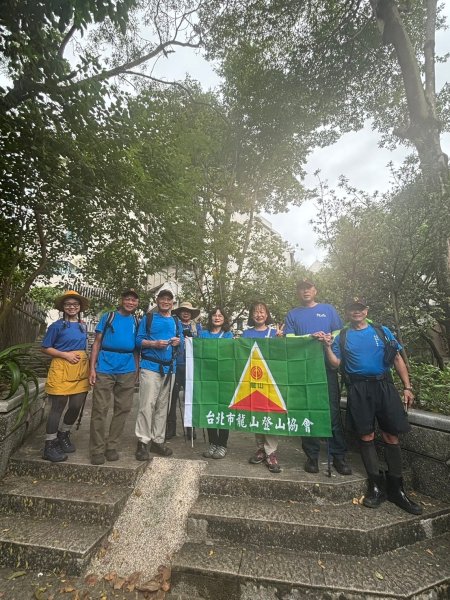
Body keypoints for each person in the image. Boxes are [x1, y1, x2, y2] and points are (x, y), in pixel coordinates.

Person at [320, 297, 422, 514]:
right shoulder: (343, 335)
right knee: (365, 436)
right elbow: (335, 363)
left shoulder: (381, 331)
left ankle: (397, 488)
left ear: (366, 311)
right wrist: (328, 347)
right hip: (358, 389)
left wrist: (407, 386)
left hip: (384, 386)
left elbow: (396, 359)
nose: (356, 312)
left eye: (360, 309)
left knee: (391, 435)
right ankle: (375, 486)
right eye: (352, 309)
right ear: (347, 313)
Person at [284, 279, 352, 475]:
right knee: (308, 412)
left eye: (309, 288)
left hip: (328, 369)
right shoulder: (293, 314)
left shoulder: (328, 310)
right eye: (302, 288)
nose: (305, 291)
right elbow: (288, 339)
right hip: (304, 371)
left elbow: (339, 333)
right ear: (298, 292)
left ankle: (338, 456)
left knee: (332, 413)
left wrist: (329, 339)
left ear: (315, 290)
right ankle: (311, 456)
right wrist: (309, 337)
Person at [88, 289, 140, 465]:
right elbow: (96, 343)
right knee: (100, 408)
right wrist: (92, 368)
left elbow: (136, 348)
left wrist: (137, 370)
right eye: (127, 299)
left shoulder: (136, 320)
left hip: (127, 368)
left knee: (123, 408)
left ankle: (112, 446)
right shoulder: (108, 317)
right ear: (121, 300)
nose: (130, 303)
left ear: (137, 304)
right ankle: (96, 449)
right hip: (105, 365)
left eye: (134, 300)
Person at [41, 290, 90, 462]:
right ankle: (50, 444)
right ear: (63, 307)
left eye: (75, 304)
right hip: (62, 366)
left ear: (80, 307)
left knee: (76, 405)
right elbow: (45, 347)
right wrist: (65, 355)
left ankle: (63, 433)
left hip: (80, 369)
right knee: (58, 406)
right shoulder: (56, 326)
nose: (72, 307)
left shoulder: (83, 325)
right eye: (68, 304)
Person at [134, 288, 183, 460]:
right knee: (147, 404)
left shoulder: (176, 322)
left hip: (170, 368)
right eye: (163, 299)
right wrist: (154, 344)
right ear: (157, 300)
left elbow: (182, 344)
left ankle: (157, 440)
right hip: (150, 367)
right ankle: (142, 441)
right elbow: (138, 341)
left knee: (163, 406)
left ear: (172, 302)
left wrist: (178, 342)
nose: (166, 302)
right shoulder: (148, 318)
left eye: (169, 300)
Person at [244, 301, 284, 473]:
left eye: (262, 312)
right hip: (253, 379)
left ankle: (271, 452)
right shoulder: (247, 333)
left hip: (271, 379)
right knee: (257, 414)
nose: (259, 314)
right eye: (256, 311)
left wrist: (281, 340)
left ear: (267, 315)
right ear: (252, 315)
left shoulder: (275, 332)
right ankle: (260, 448)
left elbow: (282, 355)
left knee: (271, 414)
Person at [201, 307, 233, 459]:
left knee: (223, 411)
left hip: (224, 378)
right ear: (210, 318)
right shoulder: (203, 334)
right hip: (207, 377)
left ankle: (222, 445)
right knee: (210, 410)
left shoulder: (228, 335)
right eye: (214, 315)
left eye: (220, 315)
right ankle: (212, 442)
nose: (217, 317)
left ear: (224, 319)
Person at [166, 301, 202, 440]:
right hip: (175, 364)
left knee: (189, 399)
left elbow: (201, 344)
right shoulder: (174, 324)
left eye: (189, 311)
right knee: (172, 398)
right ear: (179, 312)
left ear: (192, 313)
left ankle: (190, 429)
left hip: (191, 366)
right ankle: (171, 428)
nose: (186, 313)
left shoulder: (197, 326)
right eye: (183, 310)